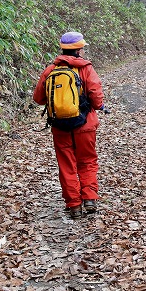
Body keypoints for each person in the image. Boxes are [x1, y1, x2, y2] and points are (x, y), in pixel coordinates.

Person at [33, 32, 105, 219]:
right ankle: (89, 199)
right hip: (85, 125)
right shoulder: (87, 69)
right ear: (79, 49)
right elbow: (97, 99)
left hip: (60, 126)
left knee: (66, 165)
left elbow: (38, 98)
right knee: (87, 161)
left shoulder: (50, 70)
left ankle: (74, 206)